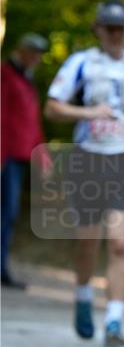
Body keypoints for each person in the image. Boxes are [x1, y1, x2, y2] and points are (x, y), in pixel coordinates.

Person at [44, 0, 124, 347]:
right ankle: (83, 296)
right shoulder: (81, 62)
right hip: (89, 159)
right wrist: (88, 112)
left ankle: (114, 321)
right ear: (97, 29)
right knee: (87, 241)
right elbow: (52, 107)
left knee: (121, 244)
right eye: (108, 28)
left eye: (120, 28)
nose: (115, 34)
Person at [1, 33, 51, 289]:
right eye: (33, 52)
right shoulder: (5, 75)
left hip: (20, 156)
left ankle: (2, 268)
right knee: (6, 212)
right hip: (6, 155)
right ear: (21, 50)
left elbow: (32, 123)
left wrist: (42, 155)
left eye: (39, 54)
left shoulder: (27, 81)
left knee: (8, 214)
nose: (36, 58)